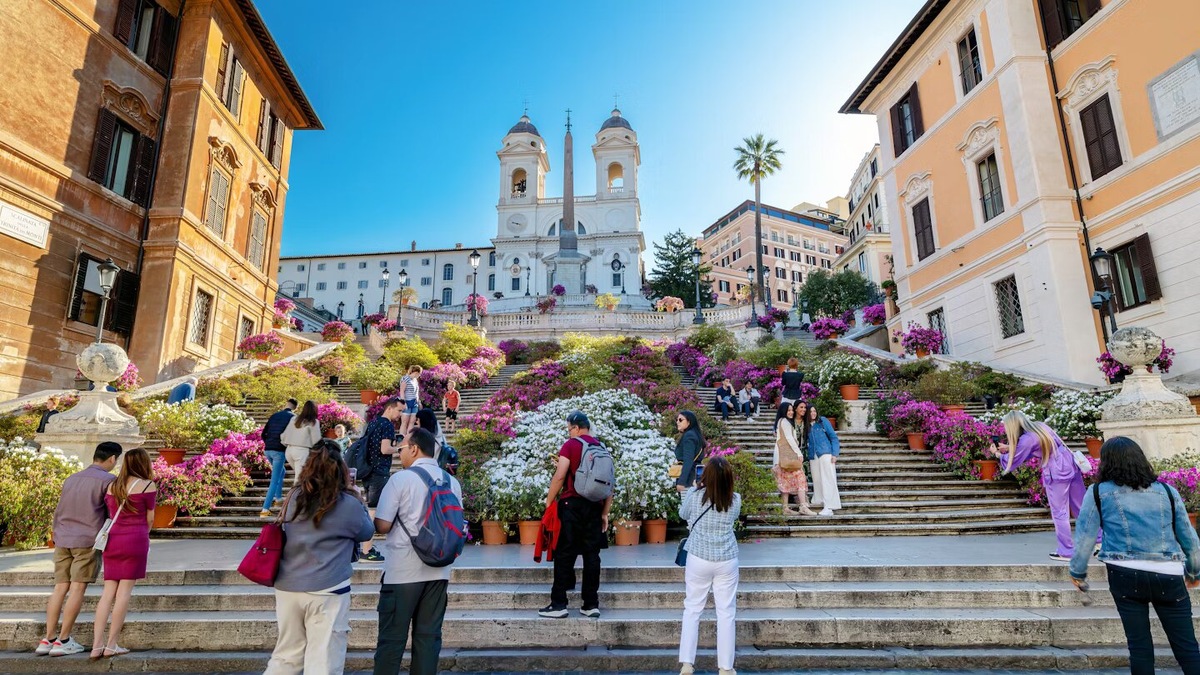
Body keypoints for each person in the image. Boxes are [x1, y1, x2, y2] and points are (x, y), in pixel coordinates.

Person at [1070, 437, 1200, 674]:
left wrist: (1078, 573)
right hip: (1168, 573)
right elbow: (1190, 540)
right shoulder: (1167, 491)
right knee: (1187, 647)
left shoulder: (1098, 492)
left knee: (1139, 647)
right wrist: (1193, 571)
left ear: (1106, 462)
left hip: (1124, 574)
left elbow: (1085, 538)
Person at [265, 440, 375, 675]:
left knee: (286, 656)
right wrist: (358, 498)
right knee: (323, 660)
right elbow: (367, 532)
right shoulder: (348, 503)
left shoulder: (294, 496)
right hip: (328, 588)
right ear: (342, 471)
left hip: (288, 586)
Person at [372, 428, 463, 675]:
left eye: (401, 448)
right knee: (428, 640)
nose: (399, 453)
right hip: (439, 571)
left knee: (391, 640)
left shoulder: (400, 479)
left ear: (413, 449)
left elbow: (382, 525)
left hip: (402, 572)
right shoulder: (452, 482)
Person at [37, 442, 121, 656]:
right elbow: (112, 511)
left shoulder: (72, 478)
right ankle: (64, 640)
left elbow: (59, 509)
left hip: (63, 538)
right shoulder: (109, 480)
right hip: (87, 541)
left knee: (59, 588)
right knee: (77, 589)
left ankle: (48, 639)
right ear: (112, 459)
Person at [539, 411, 611, 619]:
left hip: (571, 505)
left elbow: (560, 475)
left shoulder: (571, 445)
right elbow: (609, 484)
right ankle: (591, 604)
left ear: (577, 428)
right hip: (595, 506)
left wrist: (549, 501)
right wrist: (605, 513)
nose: (569, 432)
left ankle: (559, 604)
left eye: (569, 429)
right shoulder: (601, 448)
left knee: (564, 553)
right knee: (592, 556)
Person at [990, 410, 1087, 561]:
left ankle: (1066, 551)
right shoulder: (1040, 427)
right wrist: (1009, 447)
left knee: (1060, 512)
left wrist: (997, 454)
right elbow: (1033, 447)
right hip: (1070, 464)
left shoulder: (1027, 439)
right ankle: (1098, 541)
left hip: (1056, 471)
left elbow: (1015, 458)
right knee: (1081, 507)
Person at [677, 456, 741, 675]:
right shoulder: (735, 499)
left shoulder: (695, 496)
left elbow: (683, 514)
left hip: (698, 556)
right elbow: (732, 514)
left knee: (692, 609)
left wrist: (693, 489)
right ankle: (726, 667)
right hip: (726, 558)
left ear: (705, 476)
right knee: (726, 613)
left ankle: (687, 663)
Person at [90, 446, 156, 659]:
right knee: (124, 593)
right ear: (144, 463)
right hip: (135, 539)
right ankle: (111, 645)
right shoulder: (147, 485)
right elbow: (150, 519)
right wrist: (144, 534)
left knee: (107, 593)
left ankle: (96, 645)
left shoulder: (112, 485)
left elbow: (109, 512)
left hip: (112, 540)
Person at [360, 398, 403, 563]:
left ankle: (367, 547)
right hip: (379, 472)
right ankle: (366, 551)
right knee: (373, 510)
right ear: (390, 408)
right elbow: (385, 449)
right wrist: (399, 448)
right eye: (399, 410)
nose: (400, 415)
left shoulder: (373, 422)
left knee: (371, 508)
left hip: (368, 471)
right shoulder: (387, 425)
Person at [773, 401, 814, 516]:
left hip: (782, 457)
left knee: (785, 481)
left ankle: (785, 508)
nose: (791, 412)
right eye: (789, 410)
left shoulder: (781, 421)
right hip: (789, 456)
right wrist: (799, 453)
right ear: (783, 411)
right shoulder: (785, 422)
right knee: (801, 478)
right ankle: (803, 506)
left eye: (791, 410)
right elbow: (790, 438)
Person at [260, 399, 298, 517]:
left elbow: (263, 433)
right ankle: (265, 509)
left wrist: (269, 443)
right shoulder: (293, 417)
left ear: (286, 404)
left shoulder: (274, 415)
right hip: (279, 451)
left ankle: (278, 499)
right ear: (295, 408)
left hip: (268, 450)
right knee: (274, 480)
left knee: (282, 471)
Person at [807, 403, 841, 517]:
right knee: (816, 479)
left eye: (814, 411)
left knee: (828, 479)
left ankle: (829, 506)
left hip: (825, 453)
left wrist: (835, 454)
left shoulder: (822, 421)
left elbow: (833, 437)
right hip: (813, 455)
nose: (813, 413)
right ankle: (819, 499)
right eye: (810, 411)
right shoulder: (807, 425)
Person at [282, 401, 321, 486]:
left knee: (300, 476)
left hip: (289, 450)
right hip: (301, 451)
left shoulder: (294, 419)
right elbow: (317, 441)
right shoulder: (314, 422)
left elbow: (284, 436)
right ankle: (295, 494)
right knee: (299, 479)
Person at [673, 410, 706, 493]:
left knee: (688, 500)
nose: (677, 422)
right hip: (695, 474)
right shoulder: (694, 434)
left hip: (689, 478)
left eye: (681, 420)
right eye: (677, 420)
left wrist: (682, 482)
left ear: (689, 422)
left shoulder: (689, 436)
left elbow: (688, 459)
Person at [398, 366, 423, 438]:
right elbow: (402, 391)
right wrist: (403, 403)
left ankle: (409, 438)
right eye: (419, 373)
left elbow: (416, 392)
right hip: (407, 402)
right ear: (416, 372)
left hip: (414, 403)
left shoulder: (415, 380)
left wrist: (419, 402)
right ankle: (401, 438)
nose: (419, 375)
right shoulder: (405, 379)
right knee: (405, 422)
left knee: (412, 421)